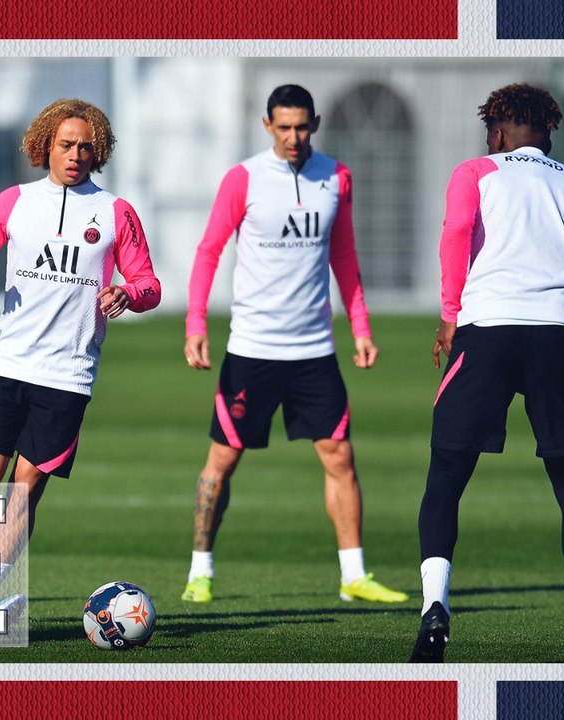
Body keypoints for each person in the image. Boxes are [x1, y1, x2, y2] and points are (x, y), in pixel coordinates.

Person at [409, 83, 564, 663]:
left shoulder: (475, 171)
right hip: (555, 342)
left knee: (447, 476)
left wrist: (449, 315)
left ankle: (434, 610)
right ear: (551, 130)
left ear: (495, 128)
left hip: (486, 334)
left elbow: (453, 236)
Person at [179, 84, 406, 606]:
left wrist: (362, 327)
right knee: (223, 459)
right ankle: (200, 571)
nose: (293, 137)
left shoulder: (337, 177)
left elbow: (344, 256)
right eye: (283, 127)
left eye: (301, 126)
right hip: (252, 350)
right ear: (267, 127)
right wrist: (196, 324)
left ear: (316, 123)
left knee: (339, 456)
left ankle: (354, 575)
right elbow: (209, 251)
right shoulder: (244, 178)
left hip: (314, 352)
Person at [0, 98, 162, 617]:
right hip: (10, 363)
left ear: (98, 150)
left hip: (69, 375)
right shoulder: (14, 201)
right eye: (66, 144)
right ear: (46, 146)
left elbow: (149, 283)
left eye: (86, 146)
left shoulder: (115, 212)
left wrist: (129, 293)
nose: (76, 154)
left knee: (24, 492)